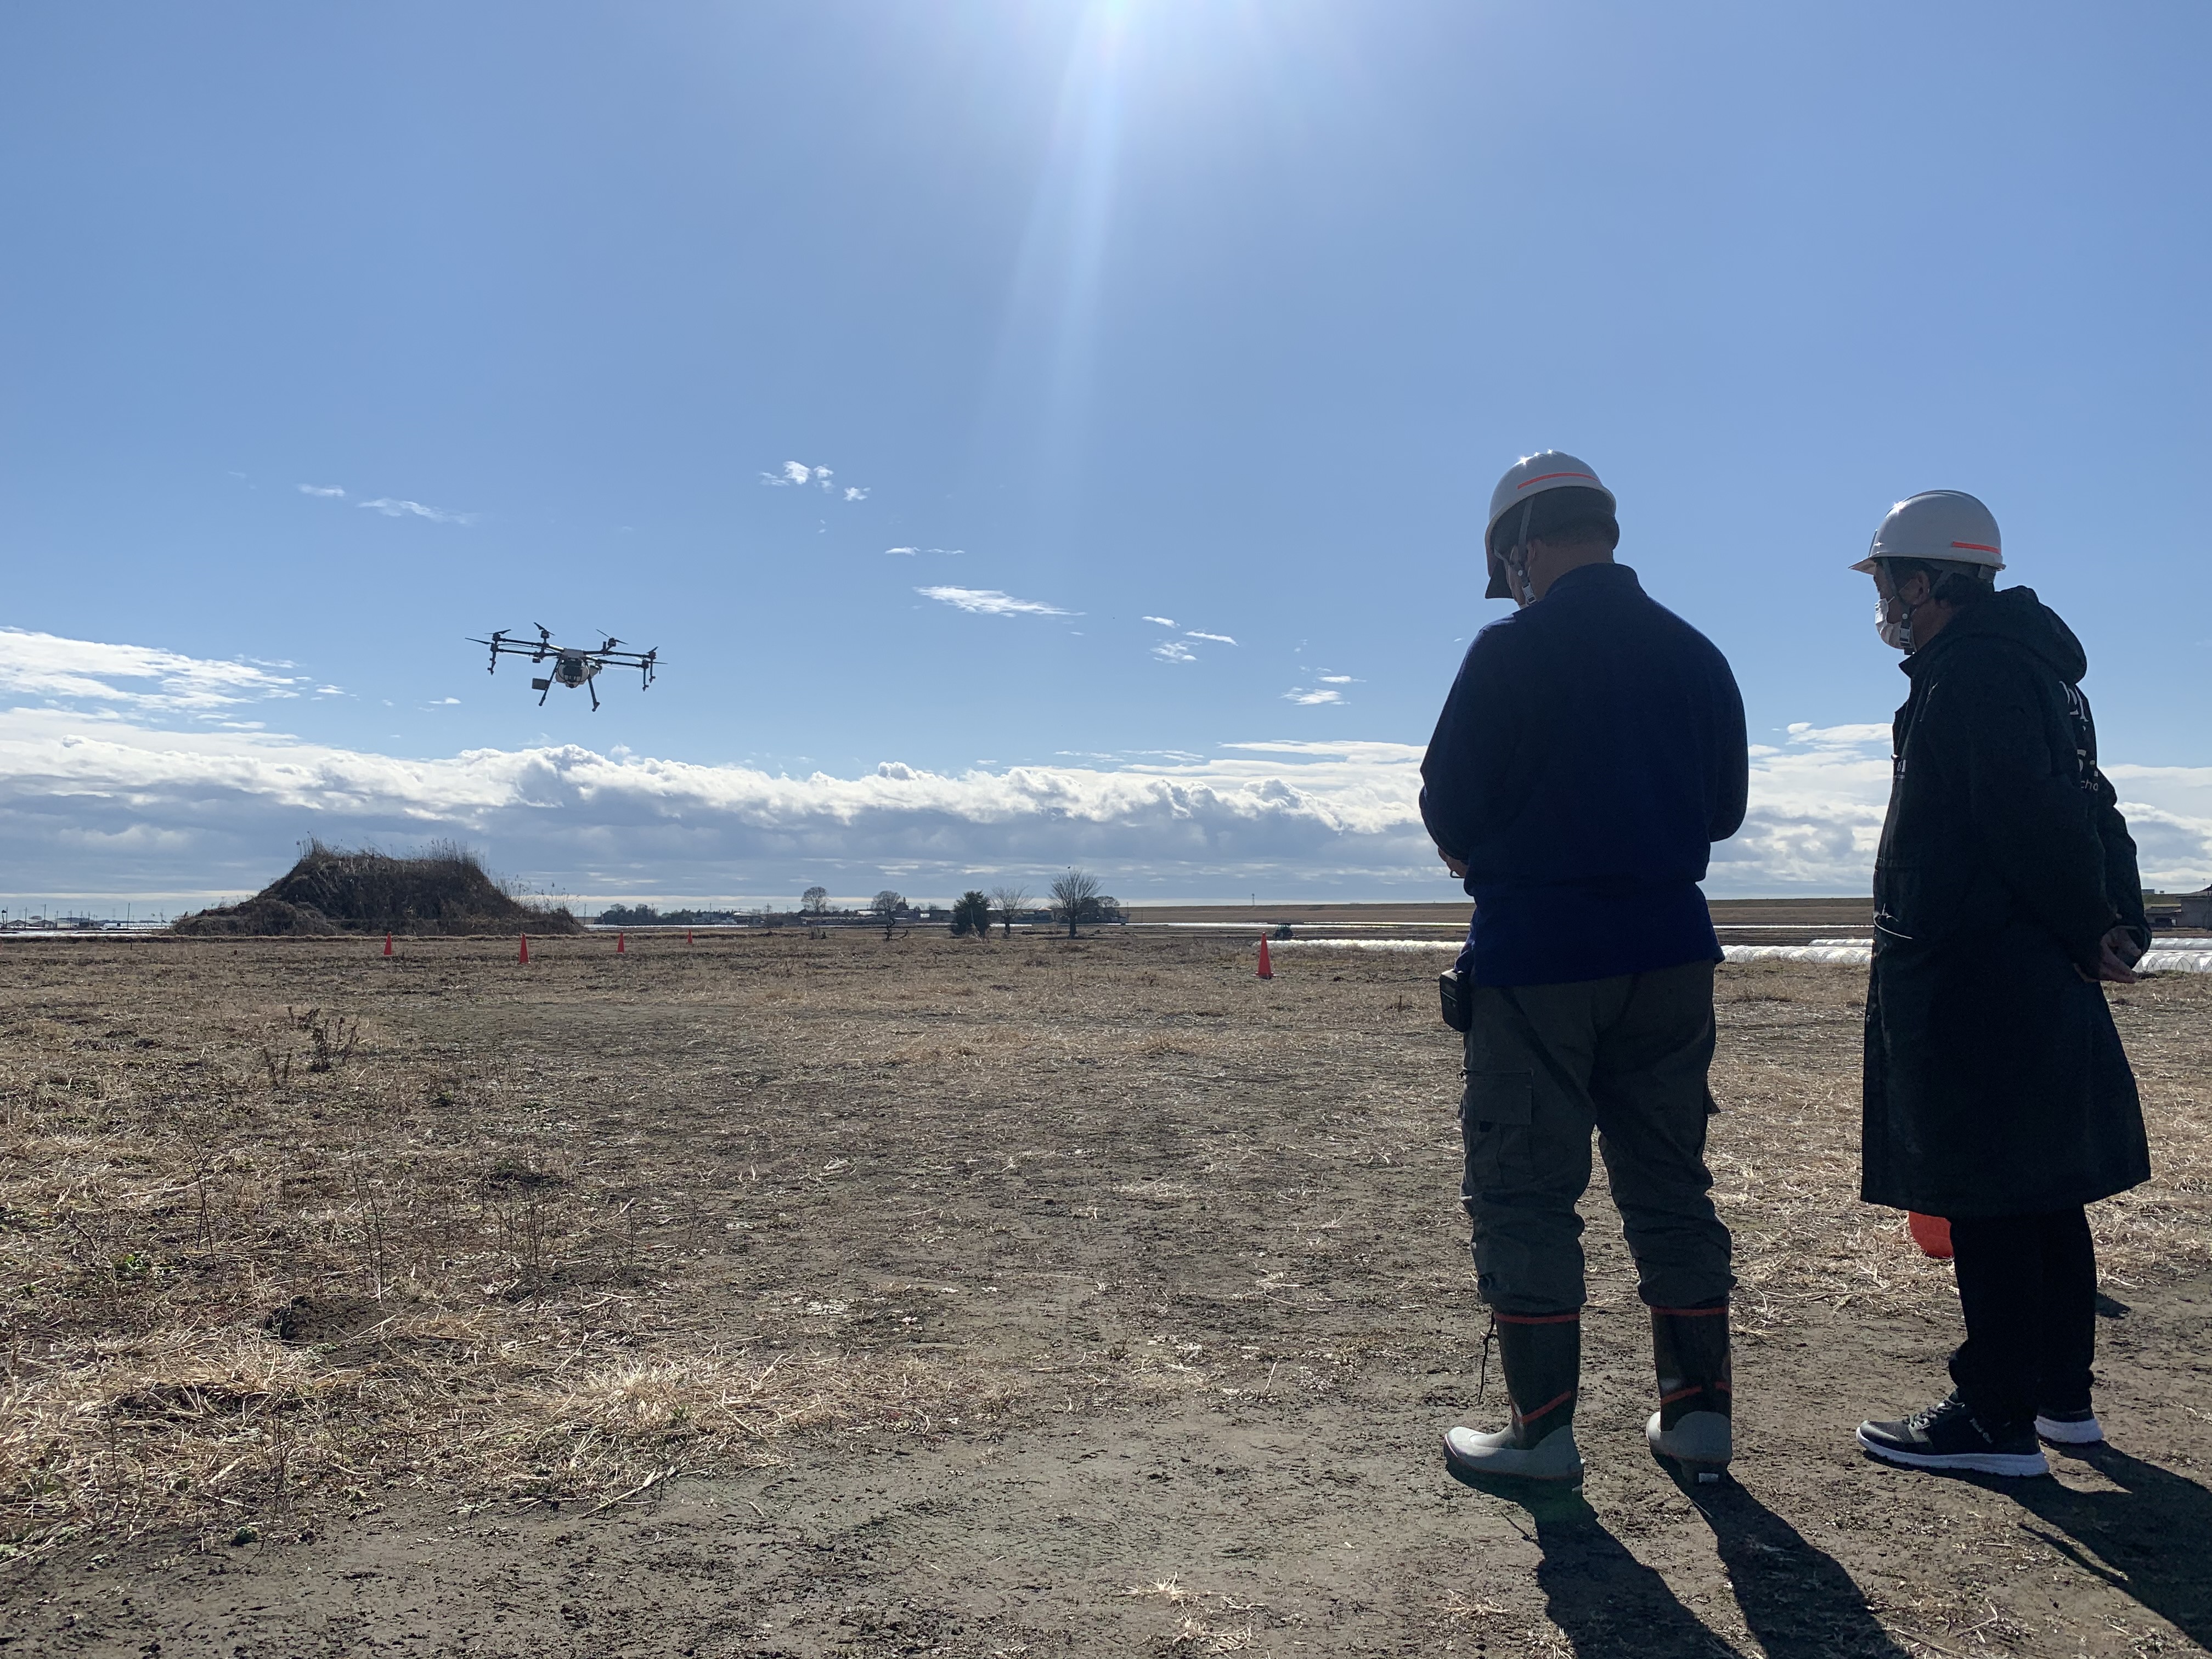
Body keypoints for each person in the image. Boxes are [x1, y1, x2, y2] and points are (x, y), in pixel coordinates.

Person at [1423, 452, 1748, 1483]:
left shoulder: (1508, 654)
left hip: (1538, 963)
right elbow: (1725, 813)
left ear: (1520, 547)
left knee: (1524, 1191)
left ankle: (1544, 1434)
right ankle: (1697, 1421)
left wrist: (1497, 857)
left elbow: (1449, 805)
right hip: (1669, 956)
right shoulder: (1696, 654)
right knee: (1669, 1184)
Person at [1850, 490, 2149, 1478]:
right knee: (2042, 1192)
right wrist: (2113, 920)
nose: (1884, 600)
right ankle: (2062, 1398)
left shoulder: (1972, 671)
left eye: (1889, 579)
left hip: (1979, 978)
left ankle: (1994, 1417)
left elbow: (2030, 819)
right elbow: (2090, 808)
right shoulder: (2037, 674)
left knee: (1987, 1196)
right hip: (2024, 972)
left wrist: (2089, 922)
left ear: (1927, 581)